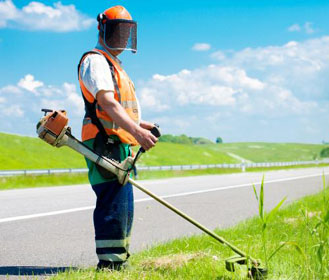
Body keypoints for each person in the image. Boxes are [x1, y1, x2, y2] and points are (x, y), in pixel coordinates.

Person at [77, 5, 158, 270]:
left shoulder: (114, 65)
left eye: (126, 31)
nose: (122, 37)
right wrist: (138, 132)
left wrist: (140, 125)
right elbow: (108, 105)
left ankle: (119, 262)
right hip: (104, 142)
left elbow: (117, 108)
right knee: (112, 202)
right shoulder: (96, 60)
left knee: (123, 204)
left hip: (119, 141)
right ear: (103, 30)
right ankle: (109, 266)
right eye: (118, 31)